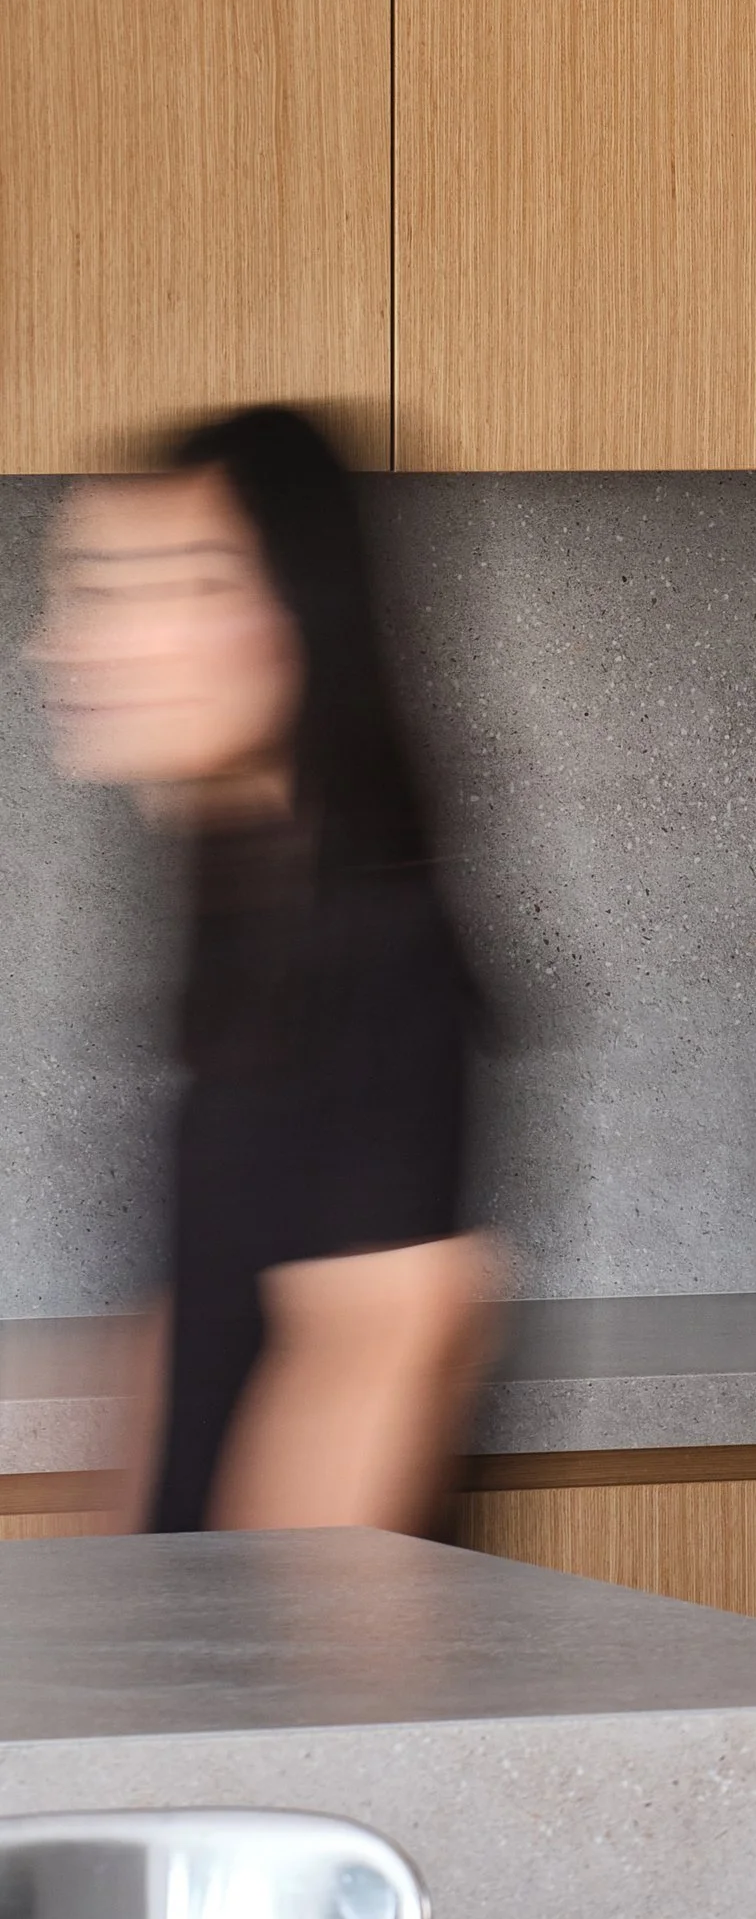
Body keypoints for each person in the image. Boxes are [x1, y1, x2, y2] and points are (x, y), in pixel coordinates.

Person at [31, 404, 499, 1535]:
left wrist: (208, 1695)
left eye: (140, 588)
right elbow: (193, 1327)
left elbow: (389, 1351)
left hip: (274, 1693)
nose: (60, 643)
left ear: (297, 616)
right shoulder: (256, 917)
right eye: (81, 588)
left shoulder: (379, 958)